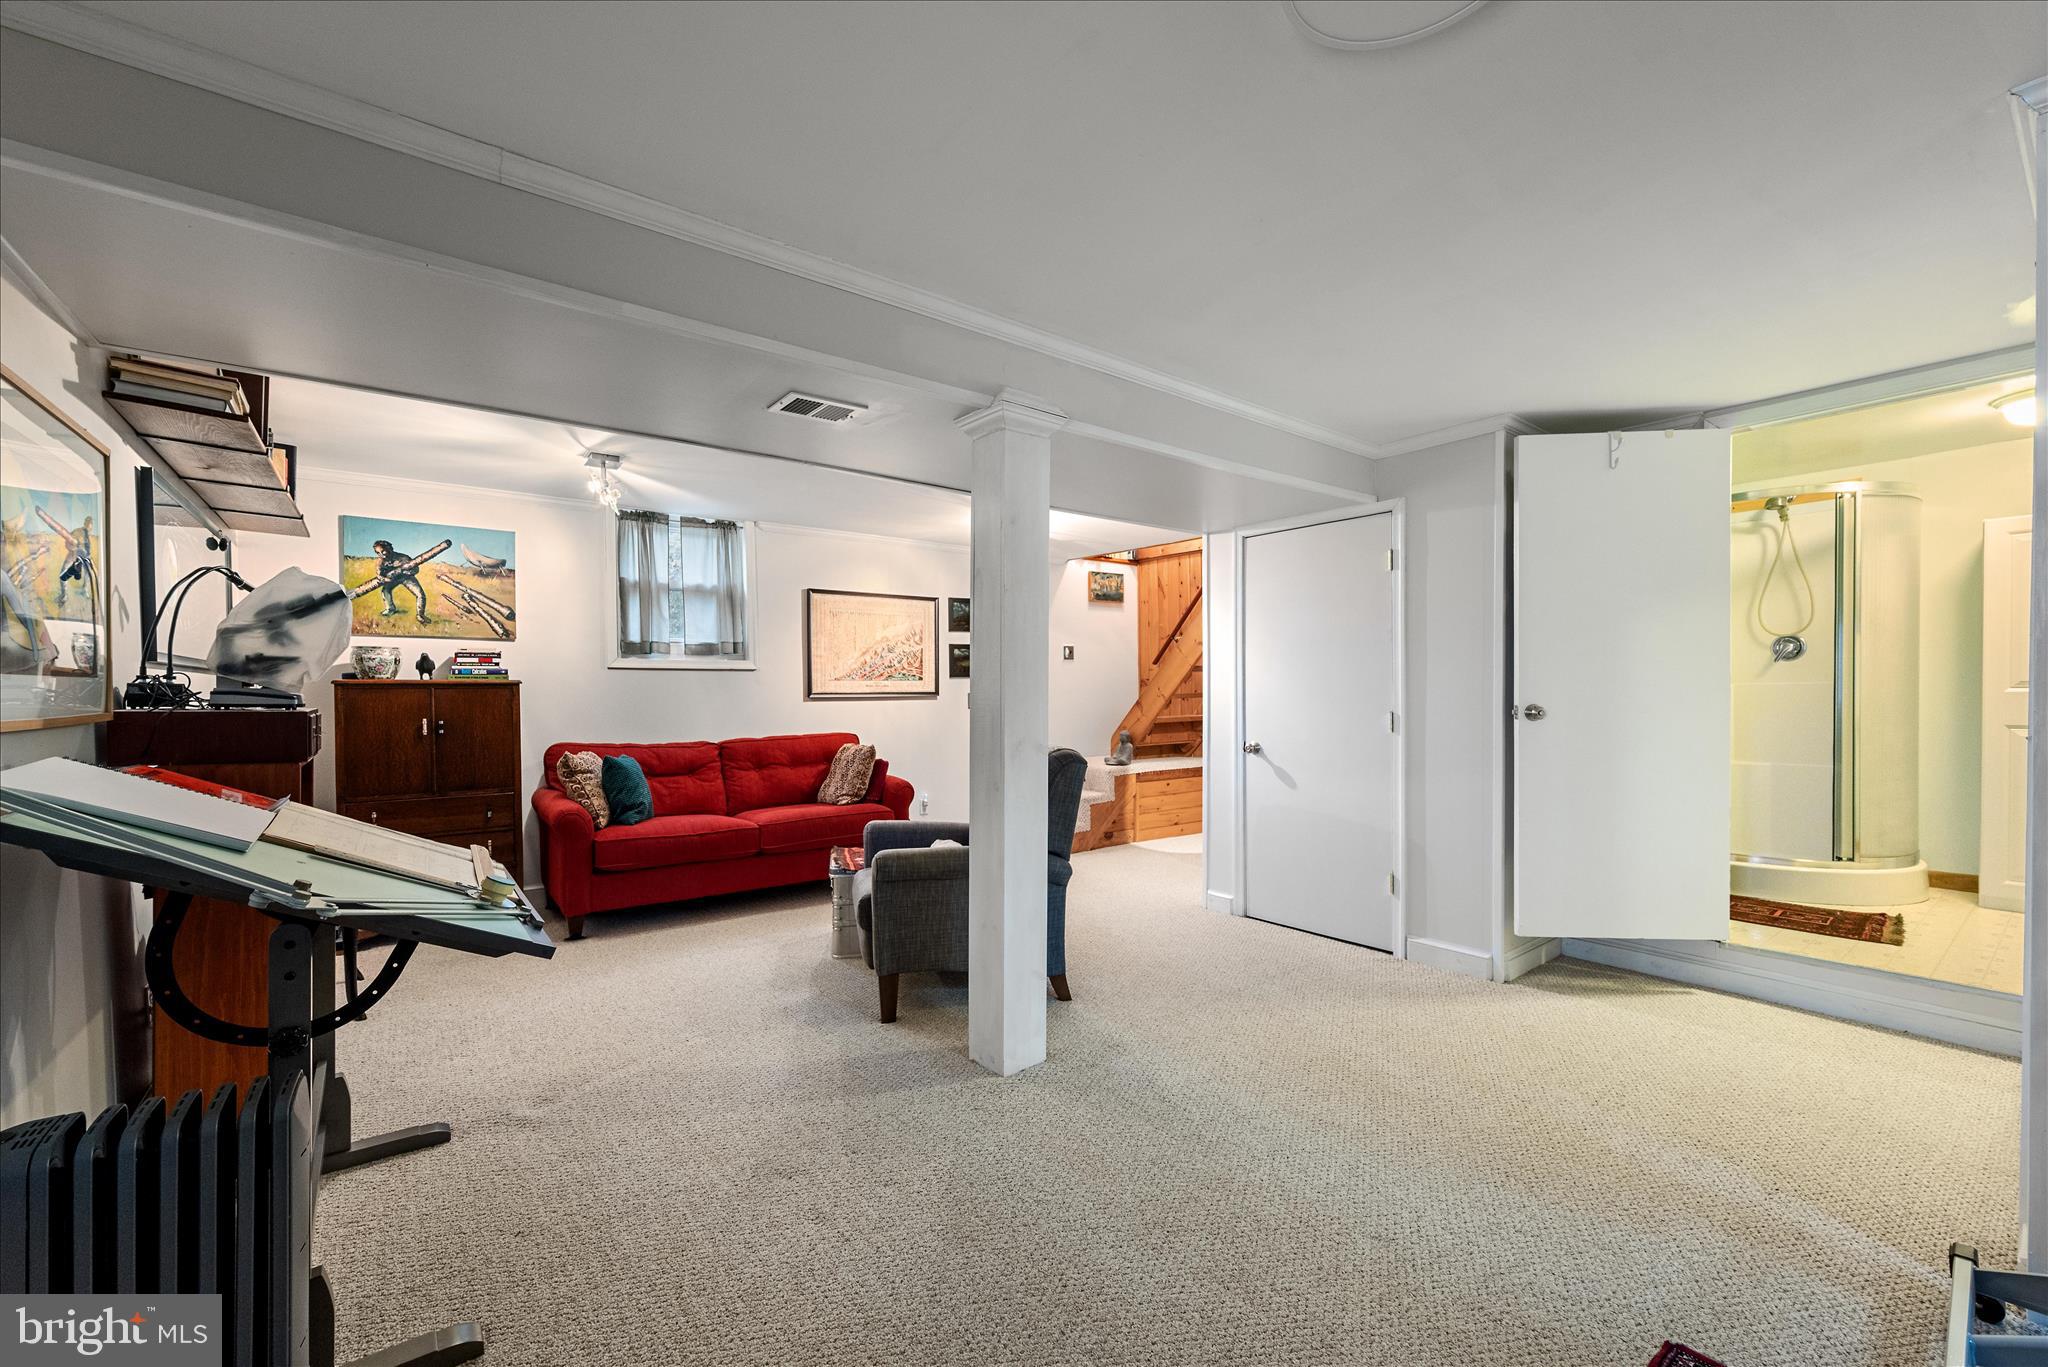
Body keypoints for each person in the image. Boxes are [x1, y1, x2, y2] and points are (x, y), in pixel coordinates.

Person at [371, 538, 432, 622]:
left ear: (389, 548)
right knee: (385, 591)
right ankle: (390, 609)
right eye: (378, 553)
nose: (381, 554)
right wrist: (385, 579)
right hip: (392, 579)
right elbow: (379, 574)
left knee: (420, 594)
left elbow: (416, 569)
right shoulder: (380, 561)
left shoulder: (403, 557)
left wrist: (406, 572)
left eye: (383, 551)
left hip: (406, 578)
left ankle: (420, 615)